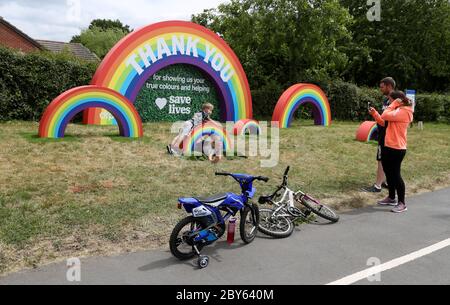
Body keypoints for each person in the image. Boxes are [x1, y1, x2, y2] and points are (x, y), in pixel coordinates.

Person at [369, 91, 414, 213]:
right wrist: (375, 114)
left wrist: (393, 104)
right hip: (388, 145)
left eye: (390, 100)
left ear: (397, 100)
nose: (388, 102)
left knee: (396, 175)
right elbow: (384, 122)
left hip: (397, 148)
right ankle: (391, 197)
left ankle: (402, 203)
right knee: (388, 174)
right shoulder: (397, 111)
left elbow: (385, 115)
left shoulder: (405, 111)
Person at [362, 77, 396, 193]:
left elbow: (388, 120)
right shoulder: (387, 100)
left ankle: (377, 186)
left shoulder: (395, 101)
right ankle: (386, 181)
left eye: (382, 87)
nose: (380, 89)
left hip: (387, 135)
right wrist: (375, 113)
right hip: (384, 133)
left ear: (389, 86)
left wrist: (376, 115)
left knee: (381, 159)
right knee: (386, 160)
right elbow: (383, 119)